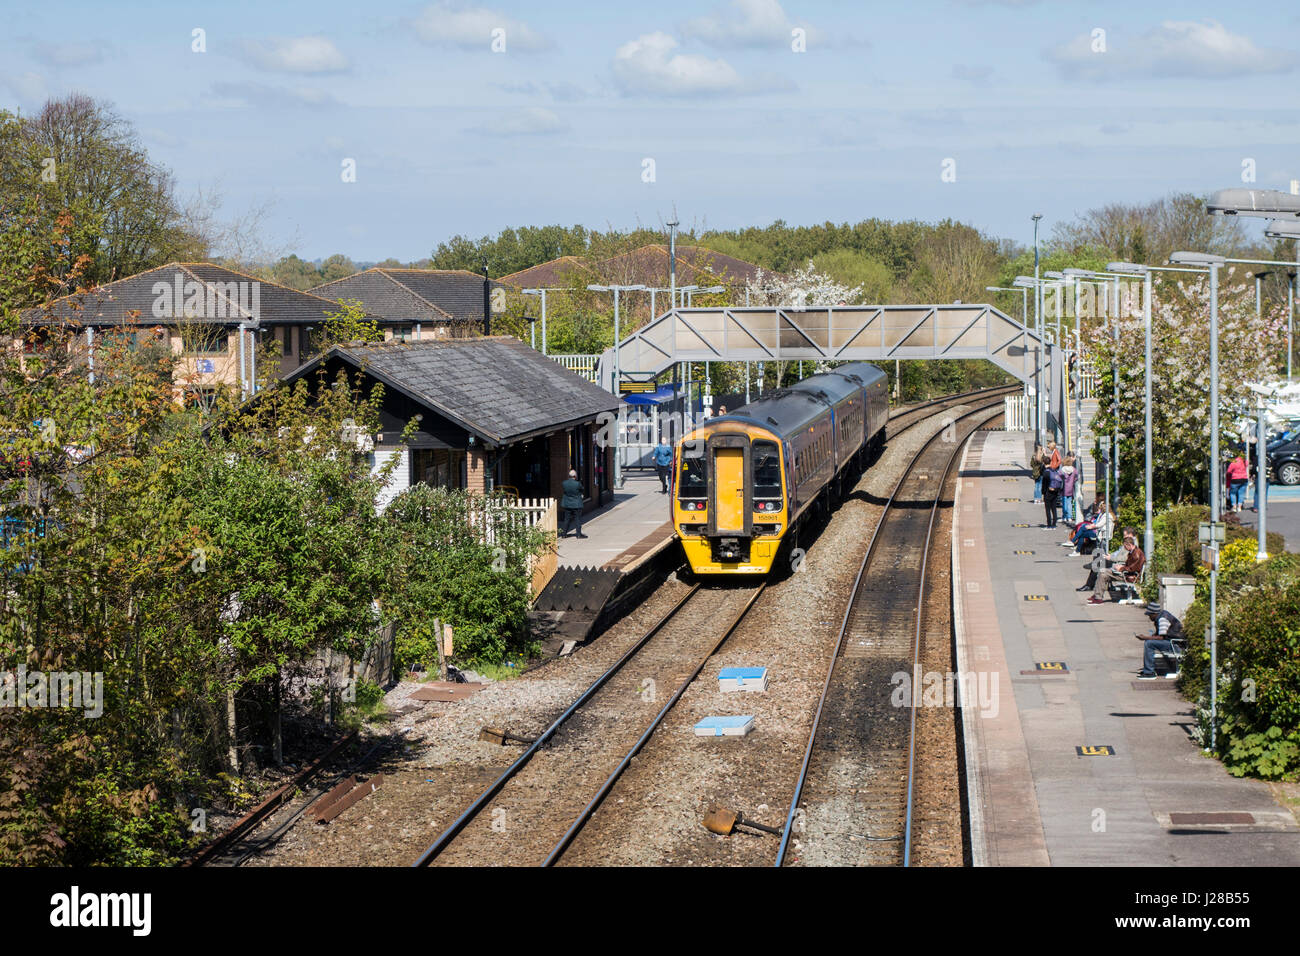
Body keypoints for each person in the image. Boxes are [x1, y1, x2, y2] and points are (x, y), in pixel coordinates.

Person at [1087, 536, 1144, 604]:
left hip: (1129, 576)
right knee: (1103, 572)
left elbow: (1133, 568)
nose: (1125, 548)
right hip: (1127, 574)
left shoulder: (1136, 554)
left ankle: (1098, 597)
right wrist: (1121, 566)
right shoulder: (1133, 551)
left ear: (1129, 545)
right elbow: (1131, 566)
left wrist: (1121, 568)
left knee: (1103, 573)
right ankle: (1097, 594)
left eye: (1125, 546)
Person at [1136, 602, 1184, 680]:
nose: (1149, 617)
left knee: (1149, 644)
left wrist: (1146, 637)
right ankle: (1148, 669)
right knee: (1149, 642)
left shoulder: (1162, 619)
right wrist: (1150, 637)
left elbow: (1161, 637)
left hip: (1175, 645)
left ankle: (1149, 672)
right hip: (1173, 642)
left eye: (1149, 615)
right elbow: (1161, 634)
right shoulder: (1162, 615)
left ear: (1154, 613)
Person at [559, 469, 587, 538]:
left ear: (569, 476)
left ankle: (564, 534)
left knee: (567, 519)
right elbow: (582, 489)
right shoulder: (578, 484)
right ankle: (578, 534)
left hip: (567, 504)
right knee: (577, 519)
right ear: (575, 476)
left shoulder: (564, 483)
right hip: (576, 504)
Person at [1042, 459, 1062, 529]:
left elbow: (1044, 485)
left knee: (1048, 509)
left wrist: (1043, 493)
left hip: (1048, 492)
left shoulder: (1046, 472)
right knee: (1054, 508)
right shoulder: (1054, 471)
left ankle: (1049, 524)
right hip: (1055, 491)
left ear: (1044, 463)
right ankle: (1054, 524)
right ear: (1050, 462)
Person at [1060, 455, 1078, 523]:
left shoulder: (1062, 470)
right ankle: (1069, 517)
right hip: (1071, 488)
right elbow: (1076, 477)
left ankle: (1065, 516)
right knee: (1070, 503)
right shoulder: (1074, 470)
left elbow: (1059, 477)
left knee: (1064, 503)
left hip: (1064, 489)